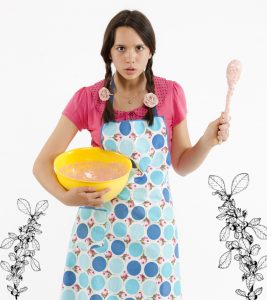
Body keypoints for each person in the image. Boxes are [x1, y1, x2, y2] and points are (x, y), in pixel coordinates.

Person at [33, 9, 230, 300]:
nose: (130, 57)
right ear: (108, 53)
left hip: (154, 231)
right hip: (99, 232)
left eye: (139, 48)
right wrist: (65, 197)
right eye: (121, 48)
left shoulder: (170, 93)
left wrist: (207, 141)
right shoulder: (88, 98)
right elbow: (42, 164)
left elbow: (181, 165)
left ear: (150, 51)